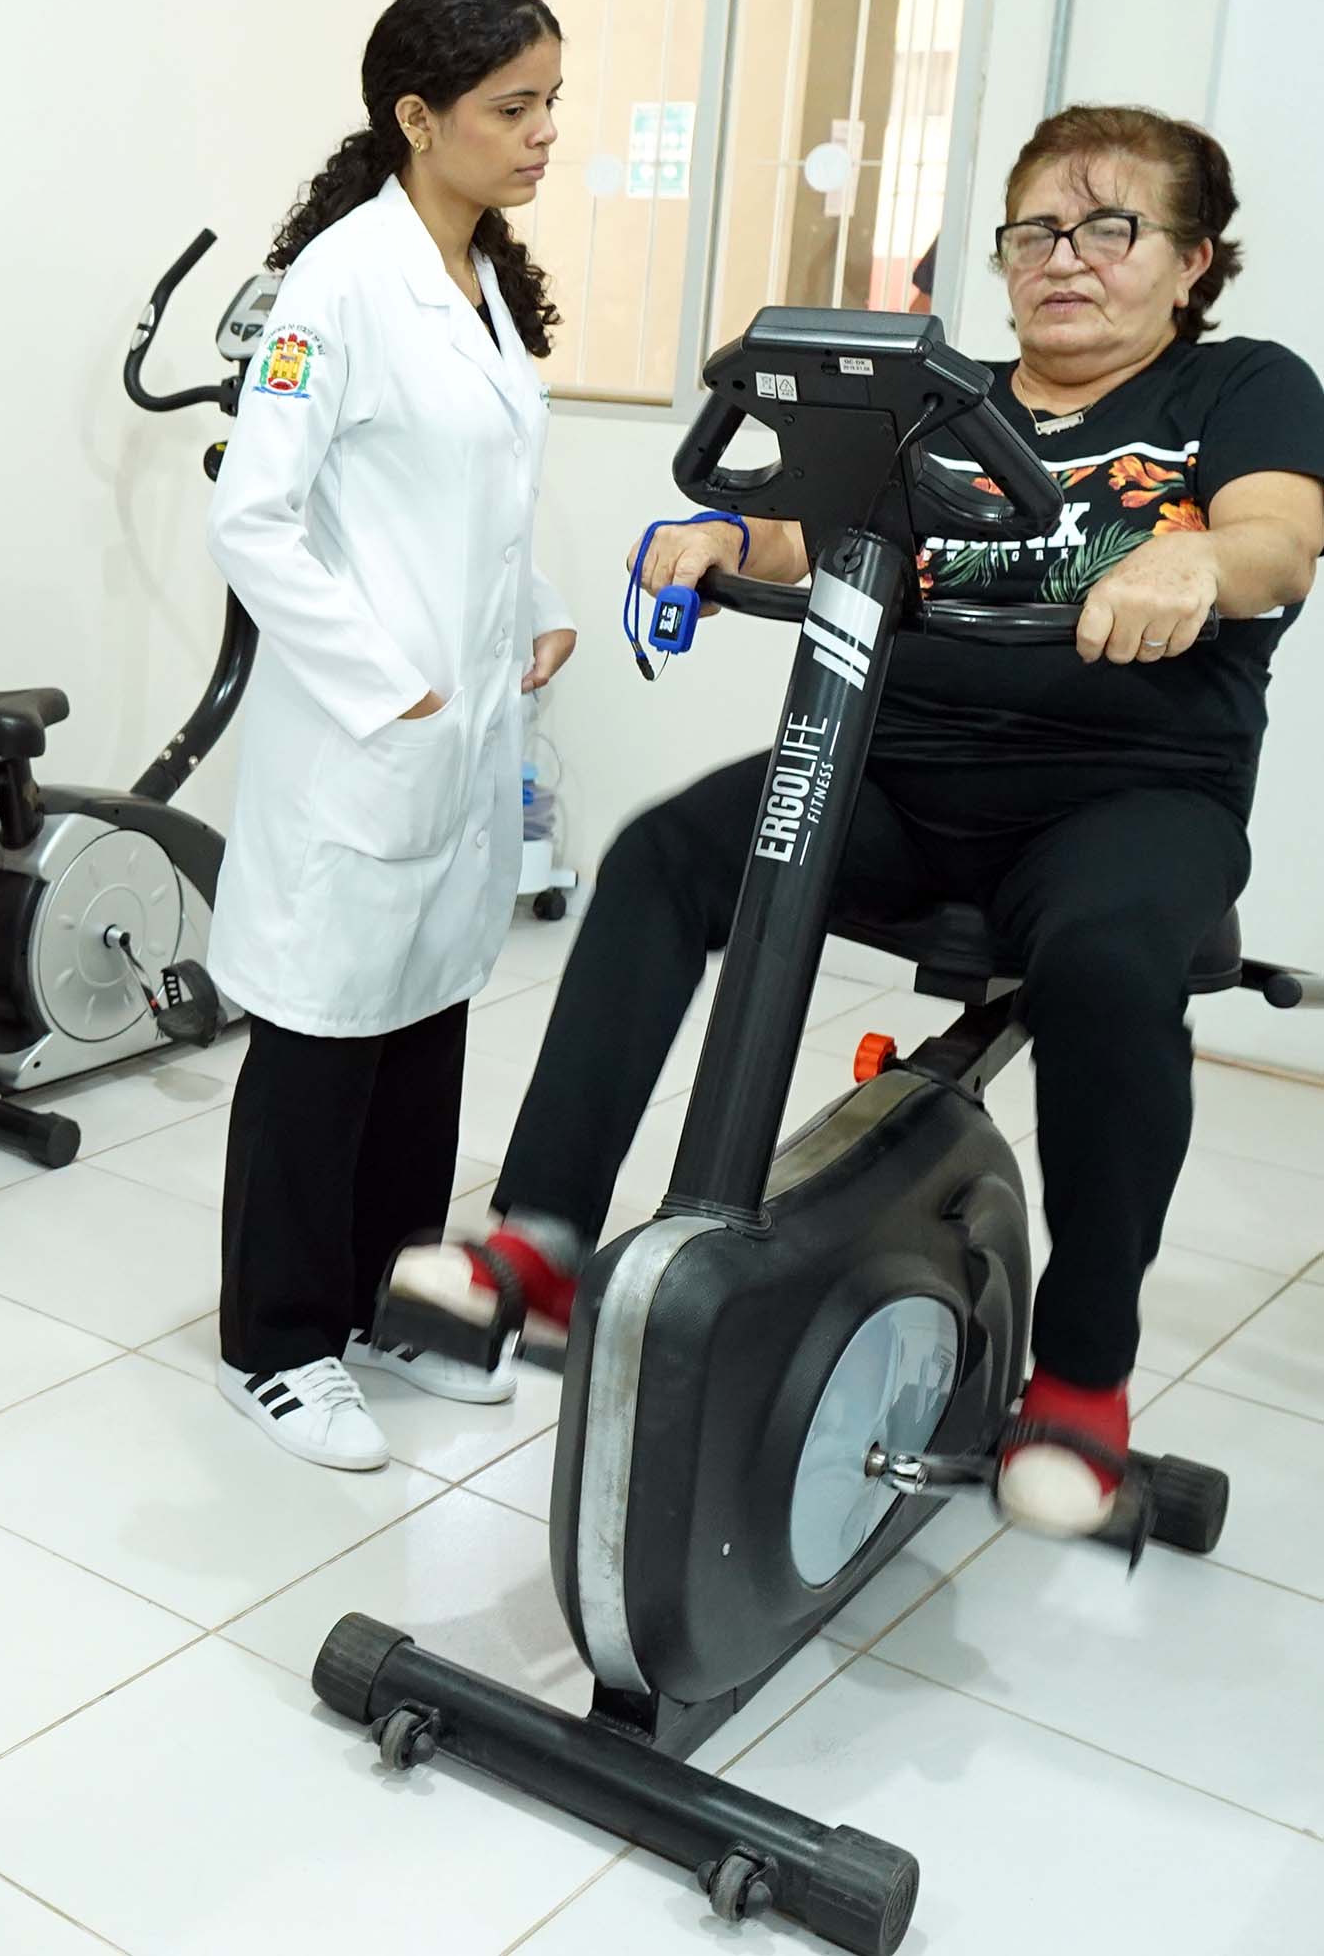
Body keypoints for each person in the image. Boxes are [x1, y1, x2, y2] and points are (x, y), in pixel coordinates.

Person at [388, 104, 1324, 1535]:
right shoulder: (941, 400)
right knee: (665, 853)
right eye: (1033, 231)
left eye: (1108, 227)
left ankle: (1081, 1378)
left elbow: (1276, 538)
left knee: (1106, 963)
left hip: (1128, 797)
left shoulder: (1239, 385)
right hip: (896, 777)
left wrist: (1194, 561)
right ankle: (542, 1240)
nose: (1062, 258)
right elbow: (807, 528)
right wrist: (722, 533)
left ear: (1192, 260)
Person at [203, 0, 578, 1471]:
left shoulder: (474, 273)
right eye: (512, 106)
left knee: (422, 1021)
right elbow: (255, 518)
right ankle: (273, 1345)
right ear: (417, 118)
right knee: (319, 1042)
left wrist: (533, 598)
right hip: (369, 733)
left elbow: (471, 490)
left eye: (550, 102)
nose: (542, 132)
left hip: (457, 734)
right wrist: (389, 681)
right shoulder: (342, 282)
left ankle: (384, 1302)